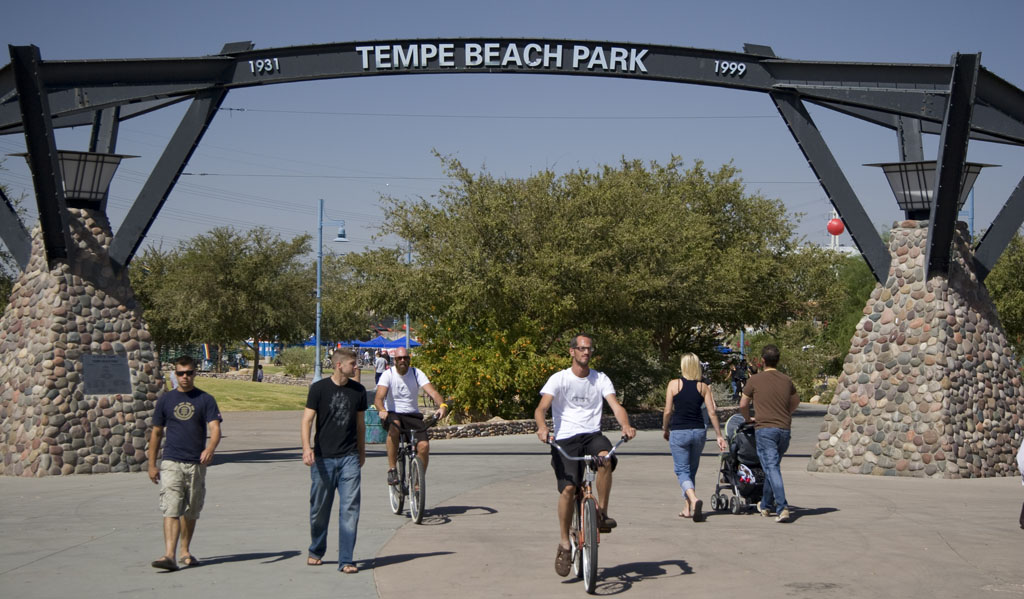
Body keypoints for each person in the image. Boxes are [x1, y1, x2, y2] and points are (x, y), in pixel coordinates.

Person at [534, 333, 636, 578]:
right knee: (568, 489)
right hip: (566, 438)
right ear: (572, 352)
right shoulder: (559, 379)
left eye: (589, 349)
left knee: (605, 458)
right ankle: (564, 544)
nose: (586, 353)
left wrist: (626, 425)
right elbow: (541, 408)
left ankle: (602, 514)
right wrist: (542, 427)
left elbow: (615, 405)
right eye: (581, 349)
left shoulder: (600, 378)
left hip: (592, 434)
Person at [147, 355, 222, 571]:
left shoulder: (205, 399)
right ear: (175, 374)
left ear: (195, 373)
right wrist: (152, 464)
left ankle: (184, 551)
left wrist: (210, 449)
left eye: (189, 373)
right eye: (181, 373)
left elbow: (215, 429)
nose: (185, 377)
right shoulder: (166, 400)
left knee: (191, 509)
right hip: (171, 461)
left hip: (196, 463)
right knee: (171, 506)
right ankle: (169, 555)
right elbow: (157, 432)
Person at [301, 348, 367, 573]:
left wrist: (362, 451)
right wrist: (306, 448)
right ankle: (316, 550)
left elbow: (360, 424)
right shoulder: (318, 389)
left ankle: (346, 559)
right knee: (319, 509)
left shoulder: (358, 391)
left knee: (350, 508)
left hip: (349, 457)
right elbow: (307, 421)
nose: (356, 367)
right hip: (323, 459)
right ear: (339, 365)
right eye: (352, 364)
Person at [663, 352, 727, 522]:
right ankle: (688, 507)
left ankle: (694, 499)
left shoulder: (673, 385)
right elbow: (712, 412)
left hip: (679, 431)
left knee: (681, 471)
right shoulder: (703, 387)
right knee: (691, 470)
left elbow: (668, 411)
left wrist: (665, 428)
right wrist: (719, 435)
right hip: (699, 431)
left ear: (683, 366)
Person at [739, 344, 800, 523]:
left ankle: (782, 507)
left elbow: (743, 404)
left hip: (765, 429)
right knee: (771, 468)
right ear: (778, 360)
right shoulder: (786, 380)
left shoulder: (755, 380)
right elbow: (795, 400)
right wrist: (786, 412)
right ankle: (765, 505)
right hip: (784, 430)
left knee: (771, 468)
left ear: (762, 361)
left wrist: (748, 418)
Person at [374, 346, 448, 485]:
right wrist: (382, 410)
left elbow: (433, 392)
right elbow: (378, 398)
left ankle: (417, 482)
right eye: (399, 358)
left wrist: (442, 406)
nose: (403, 360)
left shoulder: (416, 373)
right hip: (393, 413)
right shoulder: (388, 374)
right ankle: (392, 469)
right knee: (394, 427)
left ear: (409, 359)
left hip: (412, 415)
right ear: (394, 360)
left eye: (405, 358)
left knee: (424, 446)